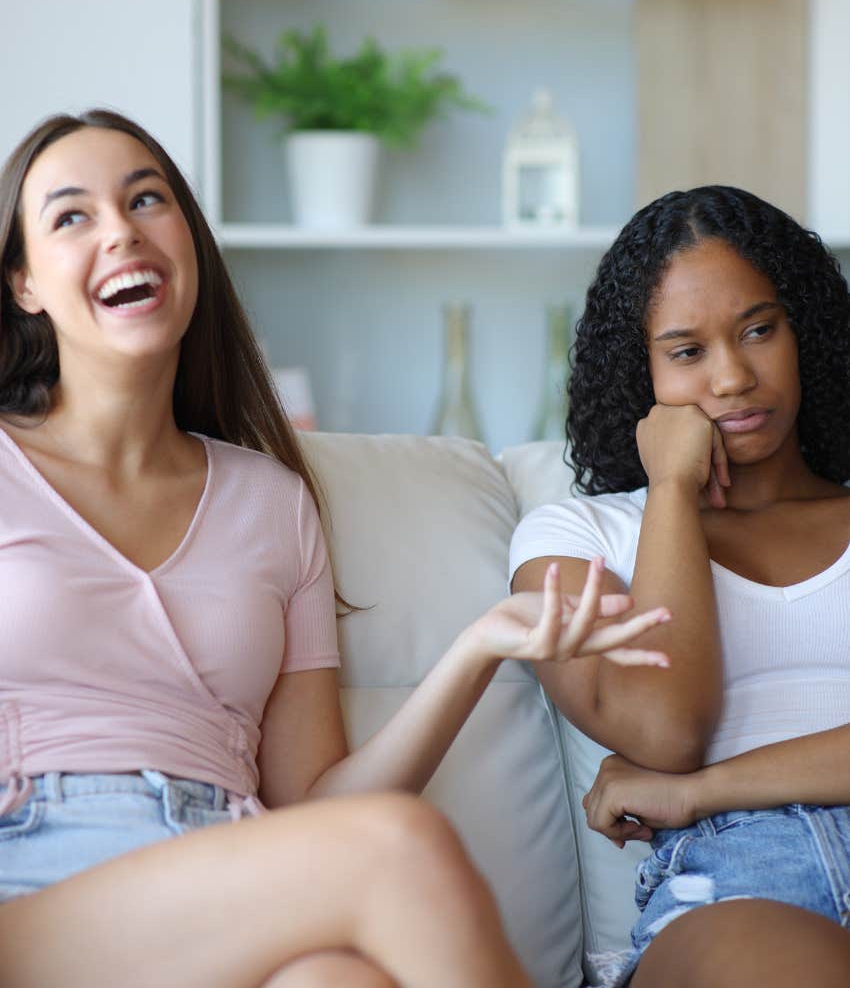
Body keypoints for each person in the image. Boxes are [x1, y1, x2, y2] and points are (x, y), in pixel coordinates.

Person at [0, 108, 672, 988]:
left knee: (336, 979)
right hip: (34, 876)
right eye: (71, 215)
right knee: (397, 846)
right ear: (23, 282)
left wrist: (480, 645)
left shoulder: (271, 500)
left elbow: (316, 804)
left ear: (189, 241)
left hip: (227, 870)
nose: (122, 231)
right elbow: (367, 842)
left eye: (146, 199)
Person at [510, 183, 850, 987]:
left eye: (759, 330)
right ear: (642, 374)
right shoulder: (579, 537)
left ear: (804, 331)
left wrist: (699, 790)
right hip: (741, 884)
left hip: (713, 809)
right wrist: (669, 489)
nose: (732, 378)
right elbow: (664, 733)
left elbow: (677, 770)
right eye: (687, 352)